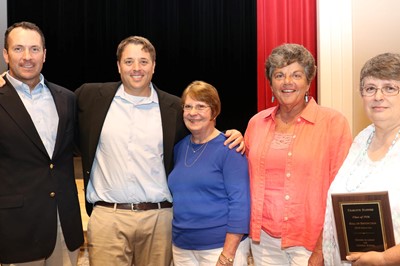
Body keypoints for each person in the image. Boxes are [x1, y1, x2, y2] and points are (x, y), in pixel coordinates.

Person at [75, 36, 244, 266]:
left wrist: (233, 134)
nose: (136, 68)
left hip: (159, 220)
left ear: (154, 66)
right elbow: (57, 109)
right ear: (118, 65)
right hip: (108, 217)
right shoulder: (91, 97)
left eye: (144, 61)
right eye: (129, 61)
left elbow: (202, 134)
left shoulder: (174, 108)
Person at [244, 43, 352, 265]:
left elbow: (342, 191)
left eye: (296, 75)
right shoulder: (256, 123)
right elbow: (243, 178)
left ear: (308, 82)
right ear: (271, 83)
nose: (287, 82)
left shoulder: (333, 123)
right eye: (279, 75)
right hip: (263, 242)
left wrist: (321, 247)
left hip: (309, 243)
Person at [0, 21, 84, 265]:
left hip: (63, 226)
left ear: (44, 55)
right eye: (18, 49)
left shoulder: (66, 98)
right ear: (6, 54)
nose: (27, 57)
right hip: (16, 230)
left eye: (35, 49)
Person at [322, 53, 400, 266]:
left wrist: (385, 258)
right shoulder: (362, 138)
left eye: (390, 88)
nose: (378, 96)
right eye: (370, 88)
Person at [168, 81, 250, 266]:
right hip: (182, 248)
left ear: (214, 111)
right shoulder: (180, 148)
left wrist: (228, 254)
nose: (193, 112)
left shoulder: (230, 148)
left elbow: (240, 203)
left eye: (201, 106)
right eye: (188, 106)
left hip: (218, 249)